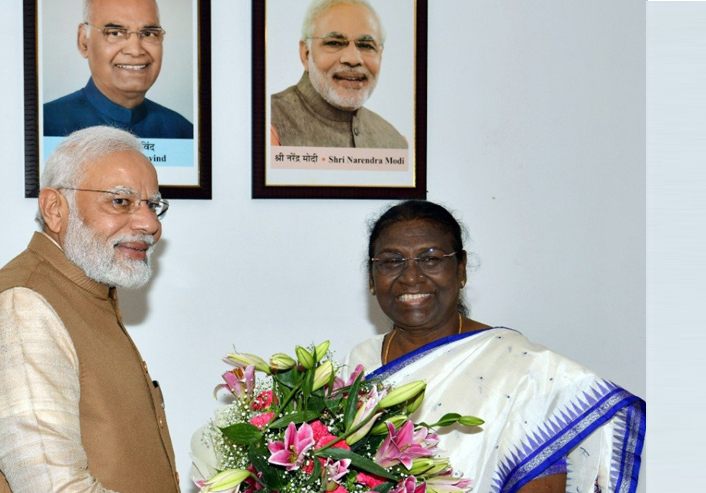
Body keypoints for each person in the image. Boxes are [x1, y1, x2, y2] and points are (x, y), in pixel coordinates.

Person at [345, 200, 645, 493]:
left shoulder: (525, 371)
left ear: (461, 270)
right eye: (392, 261)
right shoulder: (356, 365)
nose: (410, 277)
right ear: (372, 279)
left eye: (431, 258)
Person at [0, 126, 181, 492]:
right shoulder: (21, 307)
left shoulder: (85, 290)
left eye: (153, 205)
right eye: (120, 201)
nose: (150, 224)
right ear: (55, 209)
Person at [43, 0, 193, 139]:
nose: (135, 51)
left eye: (148, 34)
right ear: (84, 42)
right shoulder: (45, 125)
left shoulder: (183, 132)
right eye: (115, 33)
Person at [270, 0, 407, 148]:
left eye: (366, 45)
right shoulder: (267, 122)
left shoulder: (395, 142)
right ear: (306, 54)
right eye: (334, 43)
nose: (353, 59)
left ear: (380, 55)